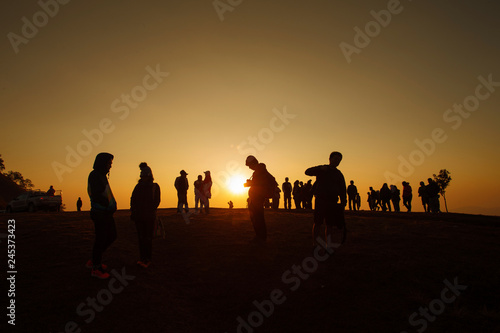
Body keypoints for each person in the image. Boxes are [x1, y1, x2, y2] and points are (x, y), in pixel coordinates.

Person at [305, 151, 347, 249]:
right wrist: (319, 169)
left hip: (332, 201)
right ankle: (314, 243)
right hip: (320, 200)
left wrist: (343, 201)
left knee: (330, 224)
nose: (337, 161)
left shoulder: (338, 174)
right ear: (330, 159)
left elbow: (342, 188)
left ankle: (328, 244)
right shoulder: (322, 169)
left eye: (339, 160)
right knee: (318, 223)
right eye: (336, 159)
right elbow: (307, 171)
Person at [87, 152, 117, 279]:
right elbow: (96, 194)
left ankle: (95, 260)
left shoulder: (102, 175)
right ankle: (96, 267)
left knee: (112, 236)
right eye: (109, 163)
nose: (110, 166)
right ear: (102, 163)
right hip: (100, 213)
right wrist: (106, 204)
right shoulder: (95, 175)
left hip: (106, 213)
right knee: (101, 239)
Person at [131, 162, 161, 268]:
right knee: (142, 238)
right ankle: (143, 258)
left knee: (147, 239)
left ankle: (147, 259)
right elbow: (133, 200)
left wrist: (148, 210)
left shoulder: (154, 187)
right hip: (140, 217)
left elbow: (156, 201)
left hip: (148, 217)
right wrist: (134, 212)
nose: (143, 177)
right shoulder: (138, 187)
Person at [244, 155, 273, 243]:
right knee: (256, 217)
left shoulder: (260, 169)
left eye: (249, 166)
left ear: (253, 163)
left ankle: (260, 237)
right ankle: (259, 236)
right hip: (255, 197)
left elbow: (259, 182)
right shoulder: (259, 170)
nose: (249, 168)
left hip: (257, 197)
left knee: (258, 217)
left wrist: (249, 184)